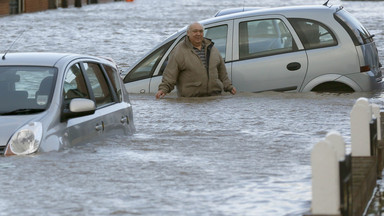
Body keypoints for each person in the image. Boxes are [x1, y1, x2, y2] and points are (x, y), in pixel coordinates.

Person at [156, 22, 236, 99]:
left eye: (201, 31)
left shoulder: (212, 48)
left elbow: (222, 72)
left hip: (214, 99)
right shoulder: (179, 51)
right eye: (195, 31)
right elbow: (170, 74)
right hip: (190, 100)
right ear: (188, 33)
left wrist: (229, 86)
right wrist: (163, 89)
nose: (198, 34)